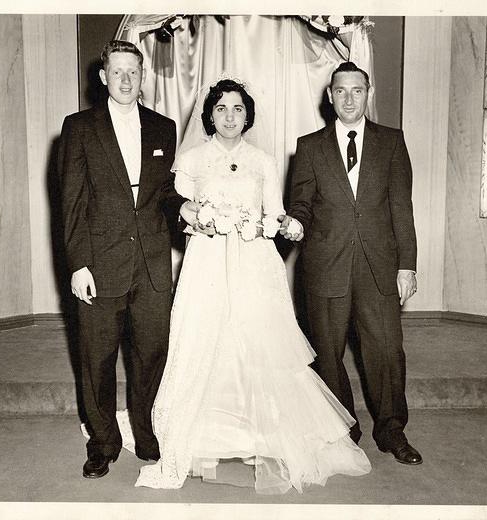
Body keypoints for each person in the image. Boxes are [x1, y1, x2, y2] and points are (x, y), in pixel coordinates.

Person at [135, 78, 371, 494]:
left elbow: (277, 214)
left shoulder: (263, 161)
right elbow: (177, 212)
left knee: (259, 344)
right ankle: (206, 437)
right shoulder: (190, 159)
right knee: (207, 343)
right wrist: (198, 217)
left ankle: (264, 438)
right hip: (207, 265)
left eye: (238, 109)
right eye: (222, 108)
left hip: (255, 265)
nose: (230, 116)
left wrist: (281, 226)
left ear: (248, 116)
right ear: (209, 115)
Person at [280, 61, 422, 465]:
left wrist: (406, 264)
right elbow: (301, 205)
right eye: (340, 91)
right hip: (325, 266)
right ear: (329, 96)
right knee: (327, 353)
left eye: (356, 90)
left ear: (368, 92)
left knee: (387, 352)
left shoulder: (392, 142)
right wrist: (292, 224)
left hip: (380, 268)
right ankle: (343, 428)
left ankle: (392, 430)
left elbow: (402, 209)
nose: (348, 98)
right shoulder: (309, 146)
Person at [58, 40, 188, 479]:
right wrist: (78, 264)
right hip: (99, 262)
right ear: (103, 77)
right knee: (96, 357)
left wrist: (188, 211)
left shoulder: (163, 127)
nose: (126, 80)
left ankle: (144, 429)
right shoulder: (78, 128)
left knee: (151, 352)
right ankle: (103, 442)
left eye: (133, 72)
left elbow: (164, 195)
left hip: (151, 263)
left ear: (143, 76)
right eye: (117, 72)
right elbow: (71, 203)